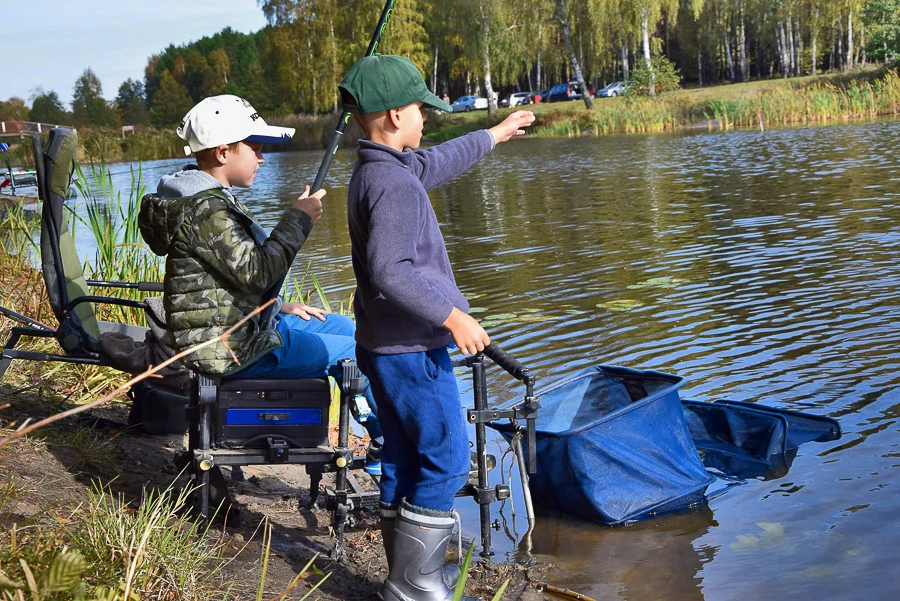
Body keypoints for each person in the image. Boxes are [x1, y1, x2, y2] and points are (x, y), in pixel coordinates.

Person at [340, 55, 534, 601]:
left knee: (403, 456)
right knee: (447, 458)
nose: (427, 119)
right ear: (395, 115)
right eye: (422, 109)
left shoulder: (377, 169)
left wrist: (492, 135)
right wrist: (452, 316)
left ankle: (403, 579)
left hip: (381, 343)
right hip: (410, 347)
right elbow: (389, 270)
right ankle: (418, 584)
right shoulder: (394, 185)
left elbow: (436, 163)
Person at [138, 94, 384, 474]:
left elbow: (231, 280)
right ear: (223, 153)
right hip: (230, 349)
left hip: (244, 326)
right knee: (356, 350)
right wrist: (298, 220)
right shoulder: (206, 210)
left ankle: (375, 426)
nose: (262, 158)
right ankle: (388, 446)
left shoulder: (206, 200)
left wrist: (279, 305)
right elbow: (256, 272)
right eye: (254, 148)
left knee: (345, 327)